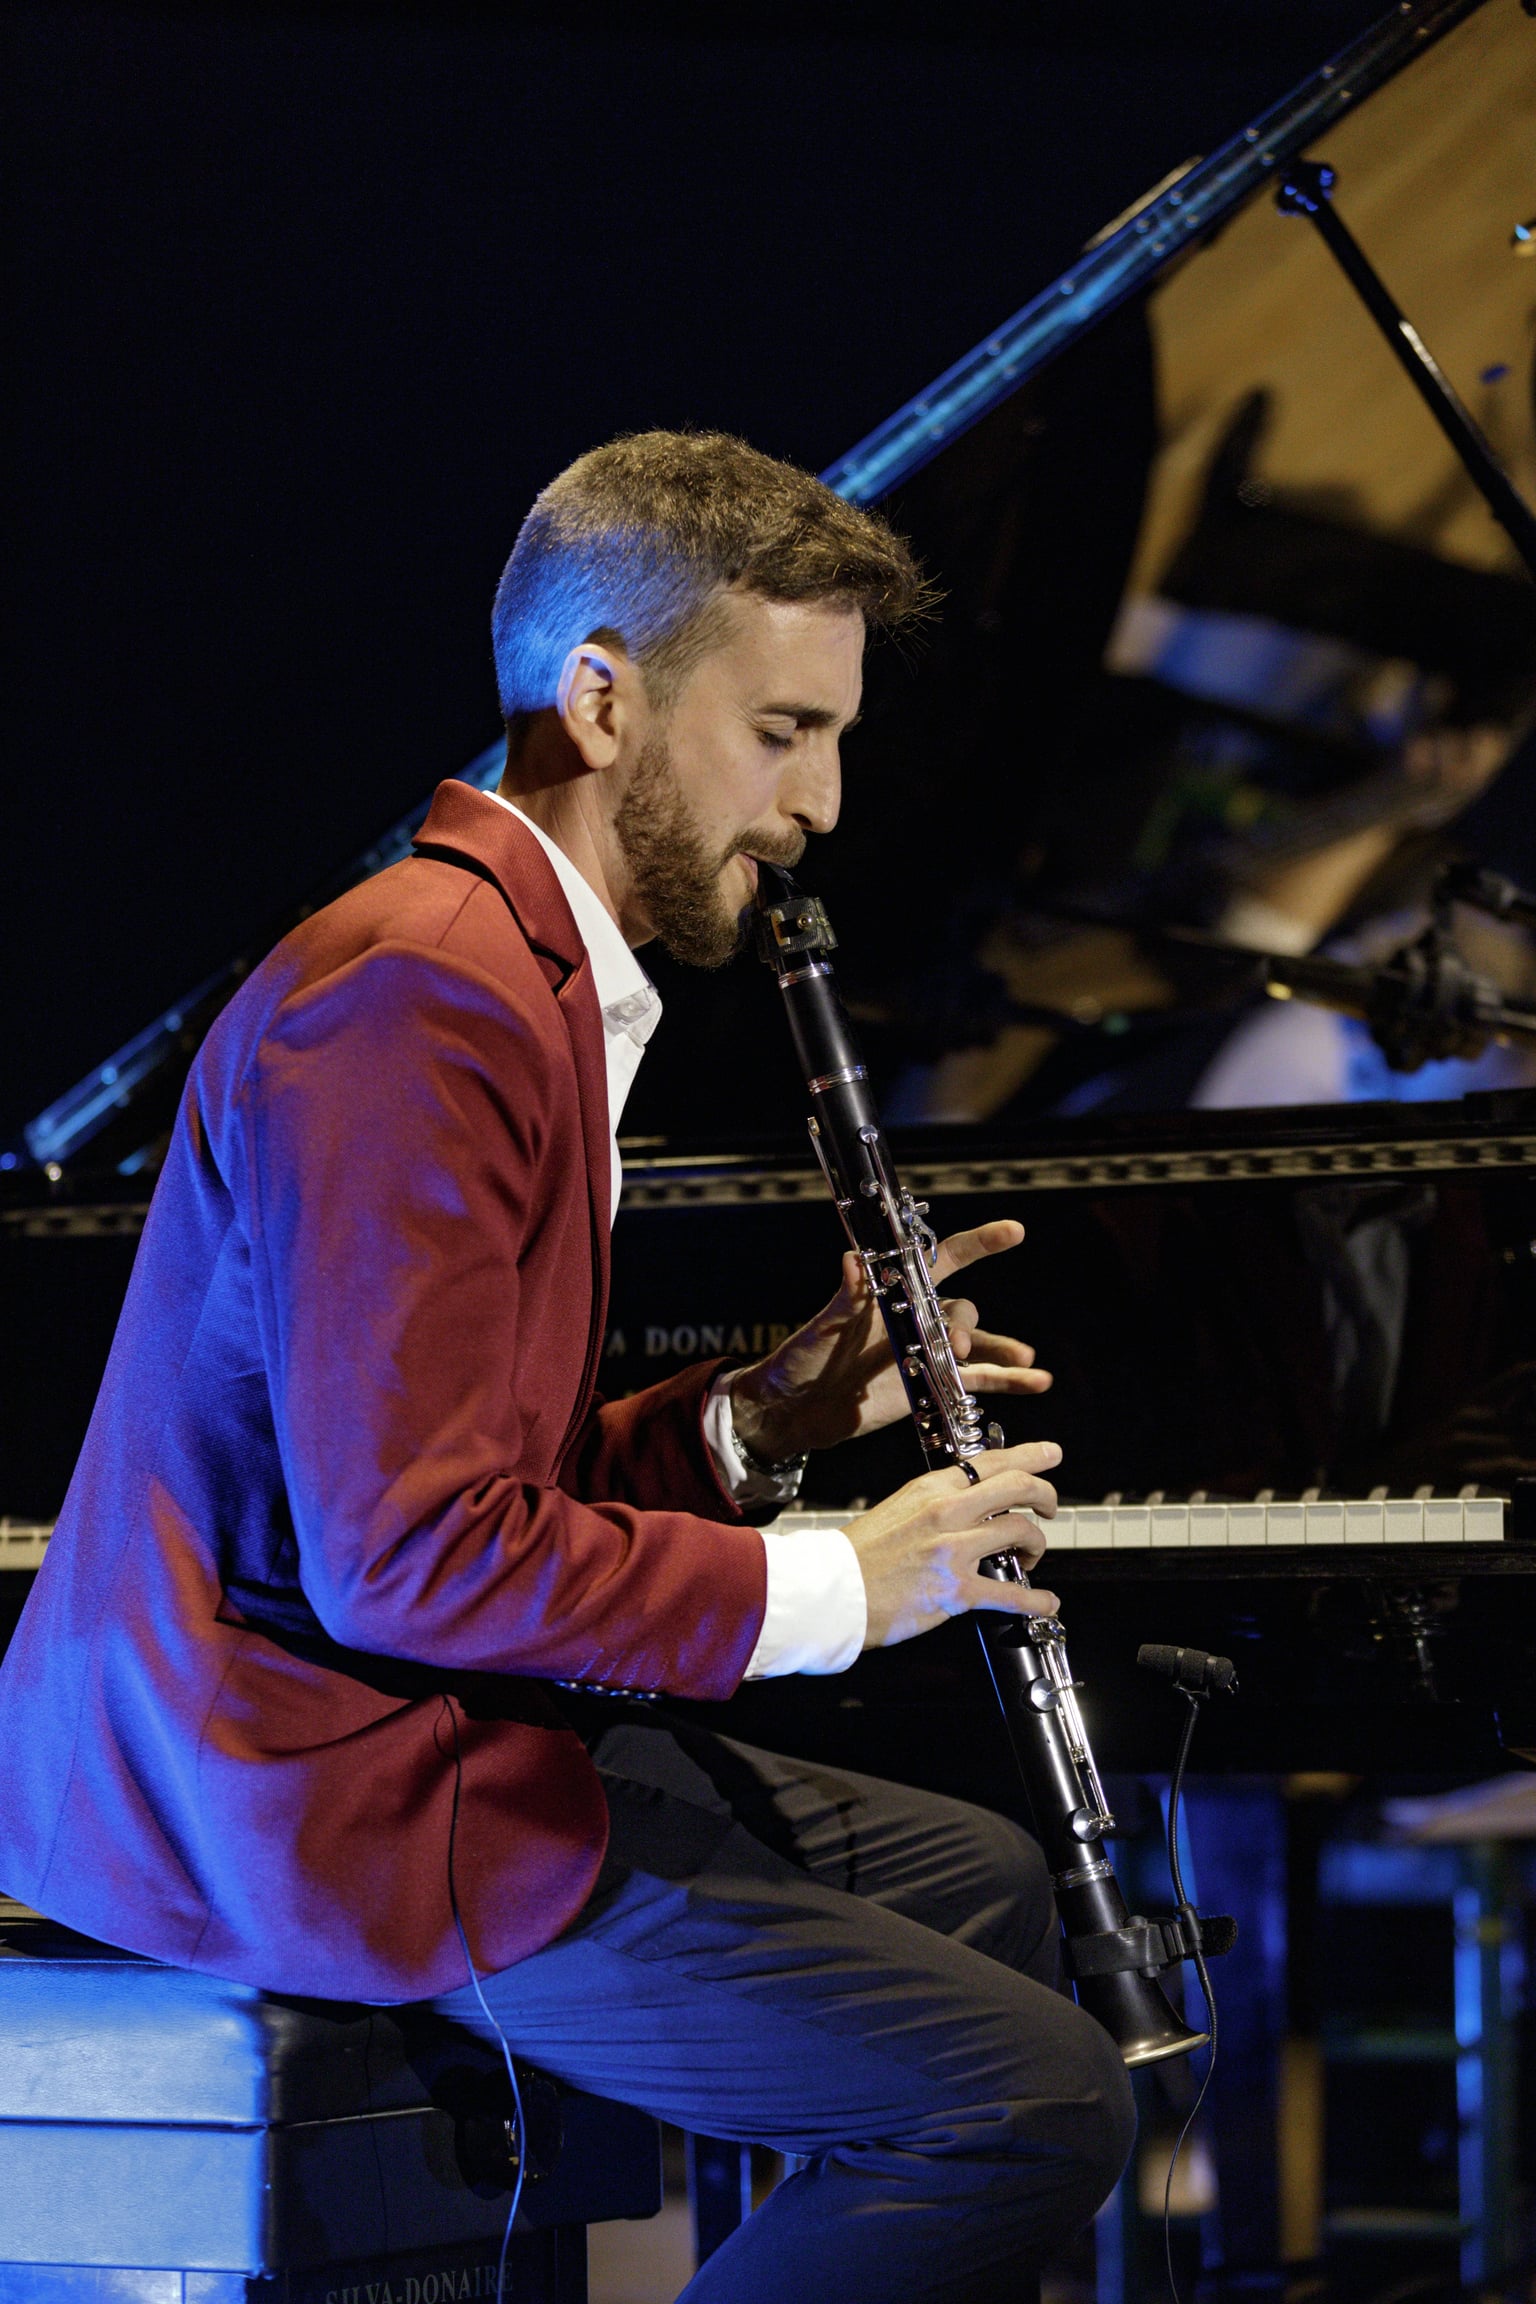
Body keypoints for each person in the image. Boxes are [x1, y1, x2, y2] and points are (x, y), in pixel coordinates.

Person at [0, 431, 1135, 2300]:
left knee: (985, 1877)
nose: (825, 802)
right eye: (782, 731)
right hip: (290, 1788)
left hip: (375, 1719)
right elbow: (412, 1558)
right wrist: (853, 1578)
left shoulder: (522, 976)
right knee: (1034, 2106)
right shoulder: (420, 1000)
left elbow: (459, 1475)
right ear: (601, 699)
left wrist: (747, 1427)